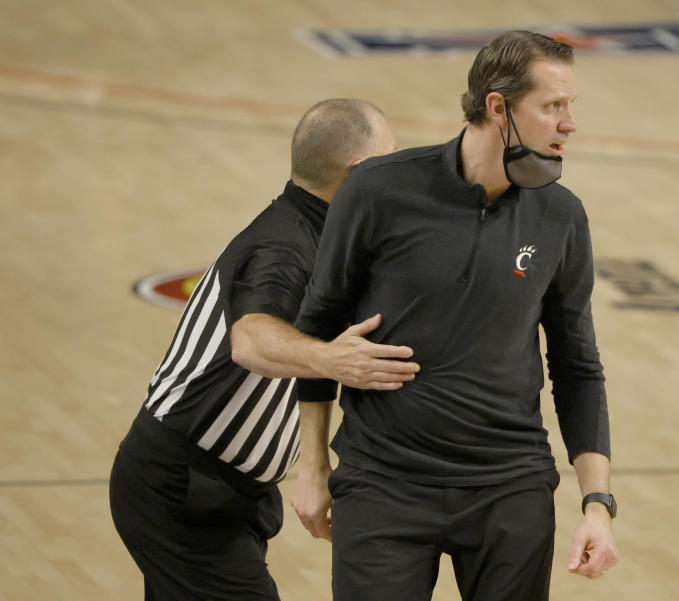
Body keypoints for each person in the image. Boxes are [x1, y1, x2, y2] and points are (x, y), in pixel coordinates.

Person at [292, 31, 619, 601]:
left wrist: (598, 503)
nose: (570, 125)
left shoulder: (561, 217)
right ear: (498, 107)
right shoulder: (377, 190)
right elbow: (320, 326)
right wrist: (312, 466)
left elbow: (577, 364)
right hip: (382, 483)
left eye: (571, 108)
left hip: (509, 487)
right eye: (552, 107)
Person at [109, 98, 420, 601]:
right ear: (359, 172)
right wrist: (330, 359)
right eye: (390, 159)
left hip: (226, 493)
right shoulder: (283, 245)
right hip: (181, 489)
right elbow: (250, 339)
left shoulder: (322, 234)